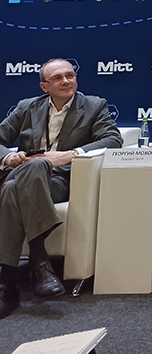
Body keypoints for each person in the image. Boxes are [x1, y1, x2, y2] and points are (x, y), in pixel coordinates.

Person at [0, 58, 122, 319]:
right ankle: (40, 264)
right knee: (27, 172)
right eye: (57, 78)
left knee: (13, 186)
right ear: (44, 86)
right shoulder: (26, 107)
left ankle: (7, 282)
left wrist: (70, 154)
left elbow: (113, 139)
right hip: (23, 173)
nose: (66, 81)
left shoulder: (93, 105)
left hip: (57, 182)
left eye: (70, 75)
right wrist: (8, 157)